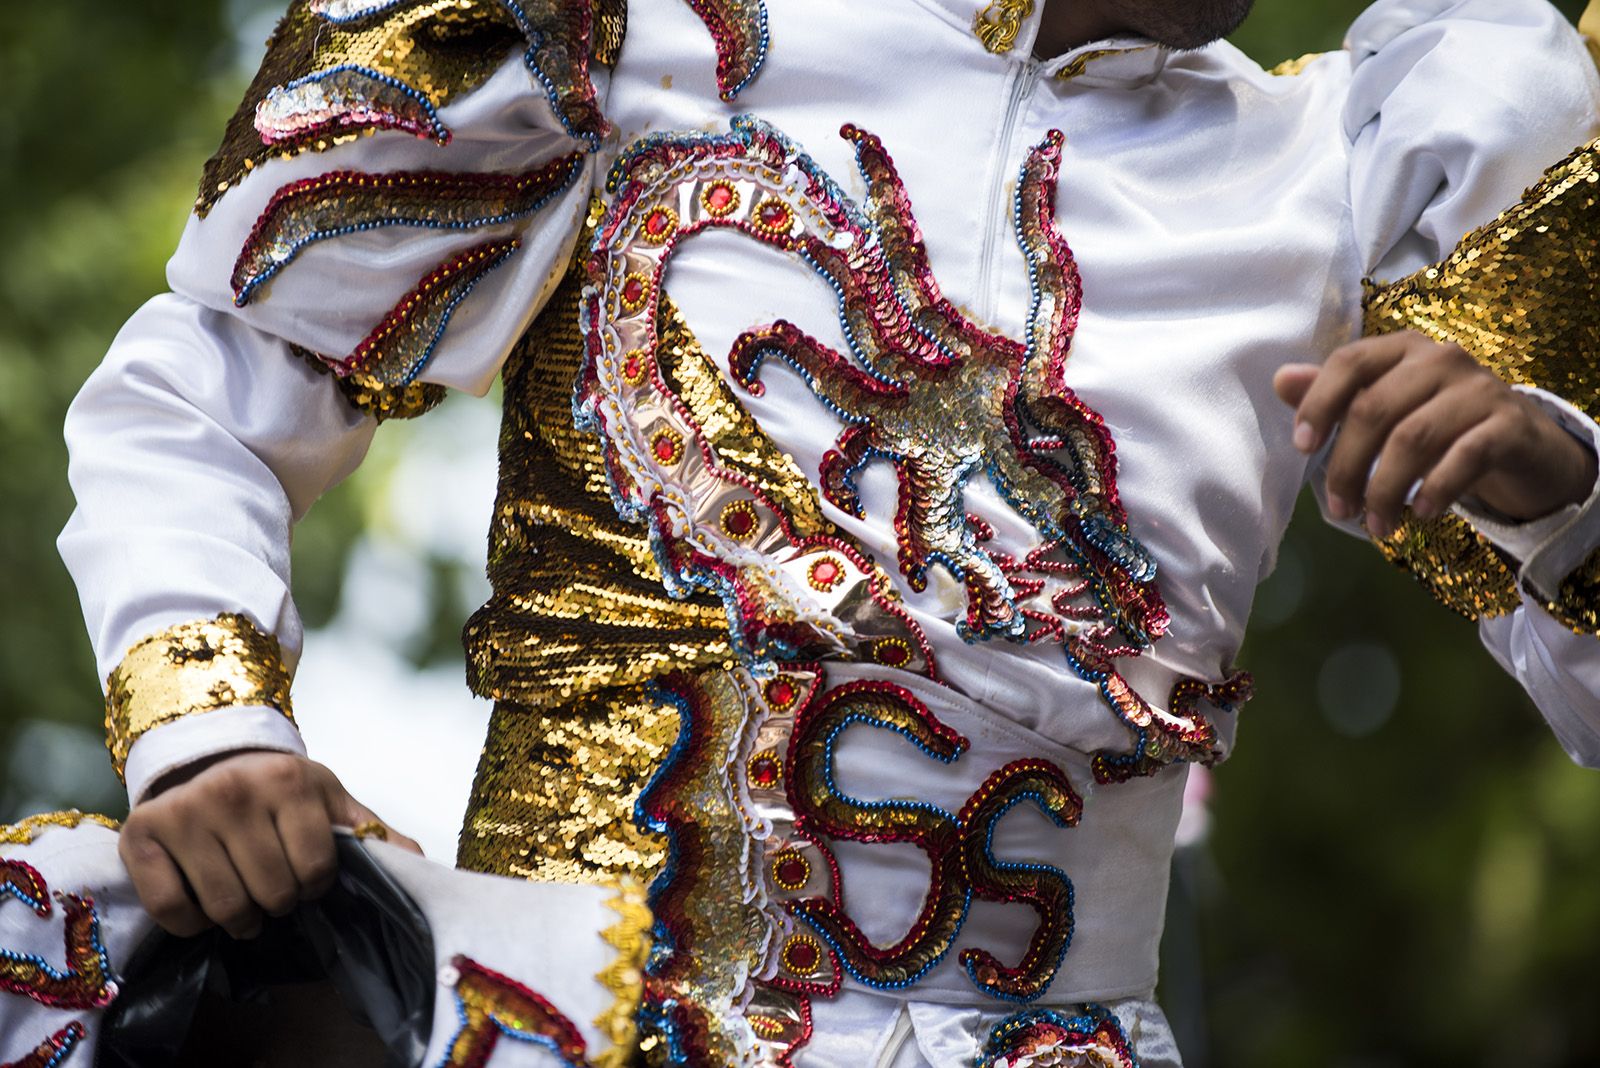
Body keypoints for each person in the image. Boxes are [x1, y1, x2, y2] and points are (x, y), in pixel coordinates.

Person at [34, 0, 1600, 1063]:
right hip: (555, 1019)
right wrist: (208, 727)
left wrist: (1563, 495)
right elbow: (226, 378)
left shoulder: (1345, 161)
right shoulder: (655, 29)